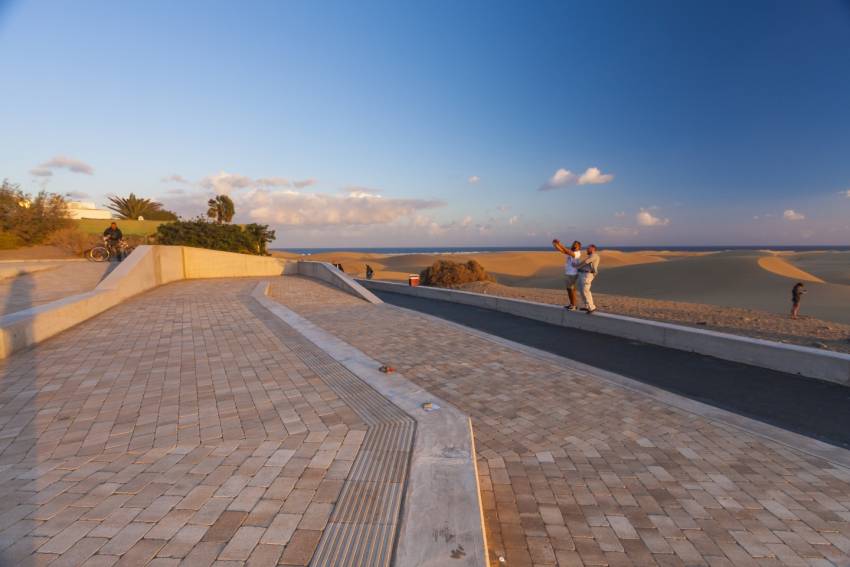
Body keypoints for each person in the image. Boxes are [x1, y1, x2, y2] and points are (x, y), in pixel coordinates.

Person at [552, 239, 581, 310]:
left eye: (576, 245)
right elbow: (562, 251)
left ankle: (574, 305)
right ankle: (572, 304)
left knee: (571, 289)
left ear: (579, 247)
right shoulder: (571, 252)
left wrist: (560, 244)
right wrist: (555, 244)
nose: (574, 245)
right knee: (569, 290)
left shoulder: (577, 253)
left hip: (572, 273)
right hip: (568, 273)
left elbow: (567, 251)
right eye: (574, 244)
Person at [575, 244, 600, 314]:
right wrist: (578, 267)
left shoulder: (595, 256)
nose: (587, 249)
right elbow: (584, 262)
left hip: (587, 275)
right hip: (583, 274)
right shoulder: (590, 256)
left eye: (588, 248)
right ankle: (587, 306)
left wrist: (578, 267)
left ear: (592, 249)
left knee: (585, 290)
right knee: (582, 291)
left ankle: (591, 307)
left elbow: (586, 262)